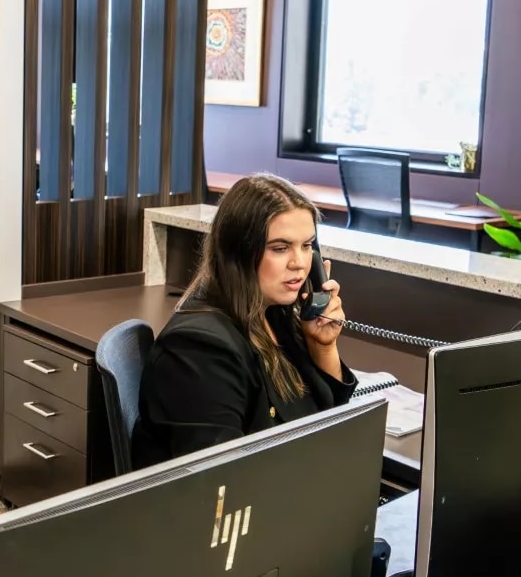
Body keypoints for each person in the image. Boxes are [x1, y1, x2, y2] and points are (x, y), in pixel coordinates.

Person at [132, 173, 358, 469]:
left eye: (307, 246)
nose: (300, 263)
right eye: (280, 248)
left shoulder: (277, 314)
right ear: (238, 254)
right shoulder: (200, 350)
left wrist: (323, 346)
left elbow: (329, 422)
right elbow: (219, 482)